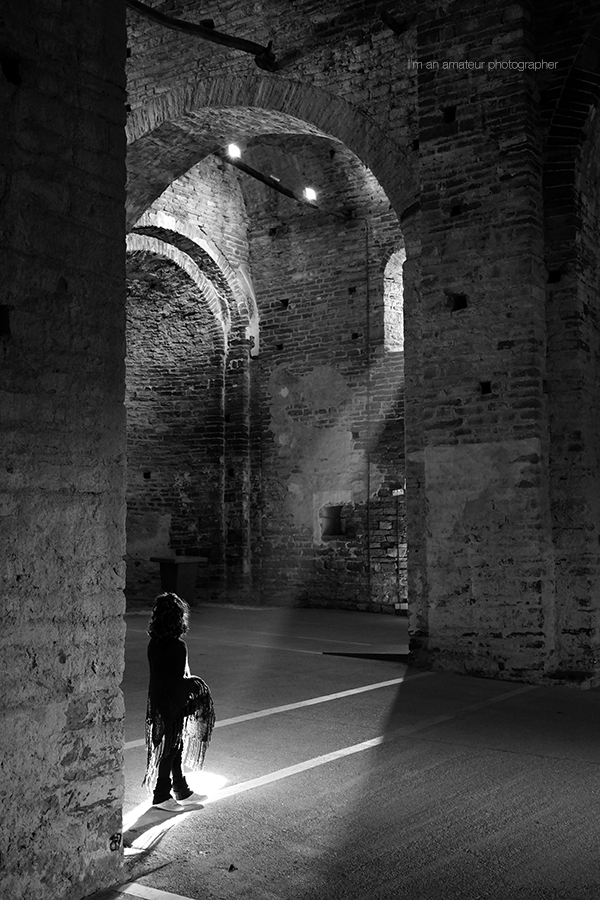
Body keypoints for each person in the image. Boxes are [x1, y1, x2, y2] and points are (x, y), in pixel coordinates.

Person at [143, 591, 215, 811]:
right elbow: (177, 681)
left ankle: (181, 789)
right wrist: (196, 686)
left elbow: (164, 678)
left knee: (175, 745)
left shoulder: (154, 644)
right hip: (172, 704)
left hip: (158, 702)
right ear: (177, 619)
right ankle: (161, 795)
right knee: (170, 749)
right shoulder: (177, 647)